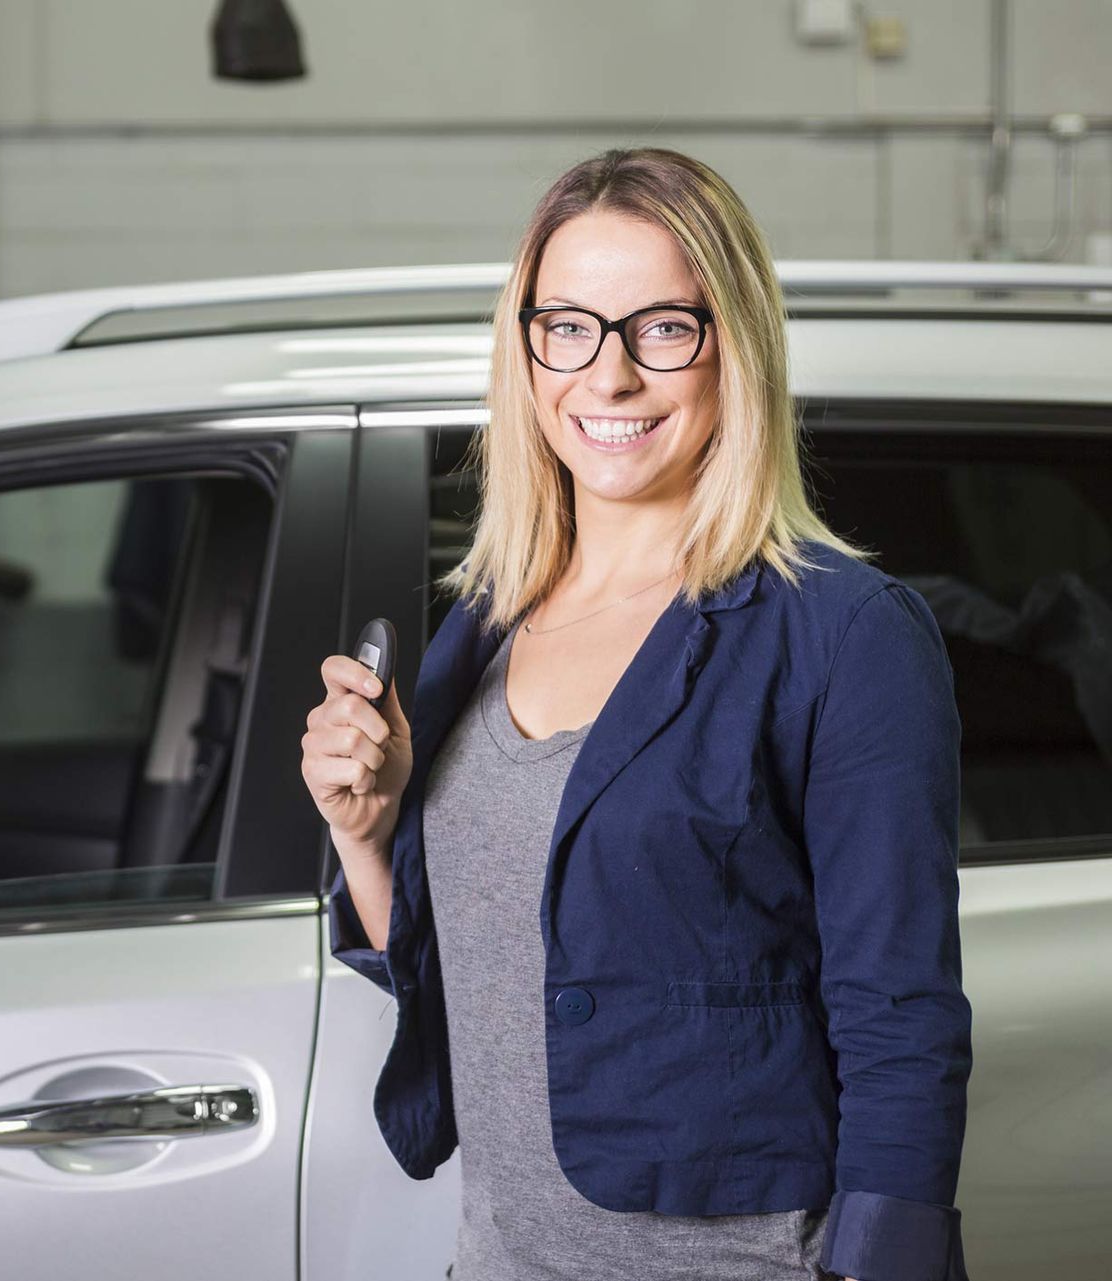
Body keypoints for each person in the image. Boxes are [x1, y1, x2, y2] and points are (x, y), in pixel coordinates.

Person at [301, 148, 971, 1281]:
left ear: (736, 348)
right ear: (526, 351)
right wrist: (366, 835)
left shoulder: (844, 634)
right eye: (567, 326)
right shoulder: (485, 621)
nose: (607, 377)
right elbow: (475, 975)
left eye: (663, 328)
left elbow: (902, 1025)